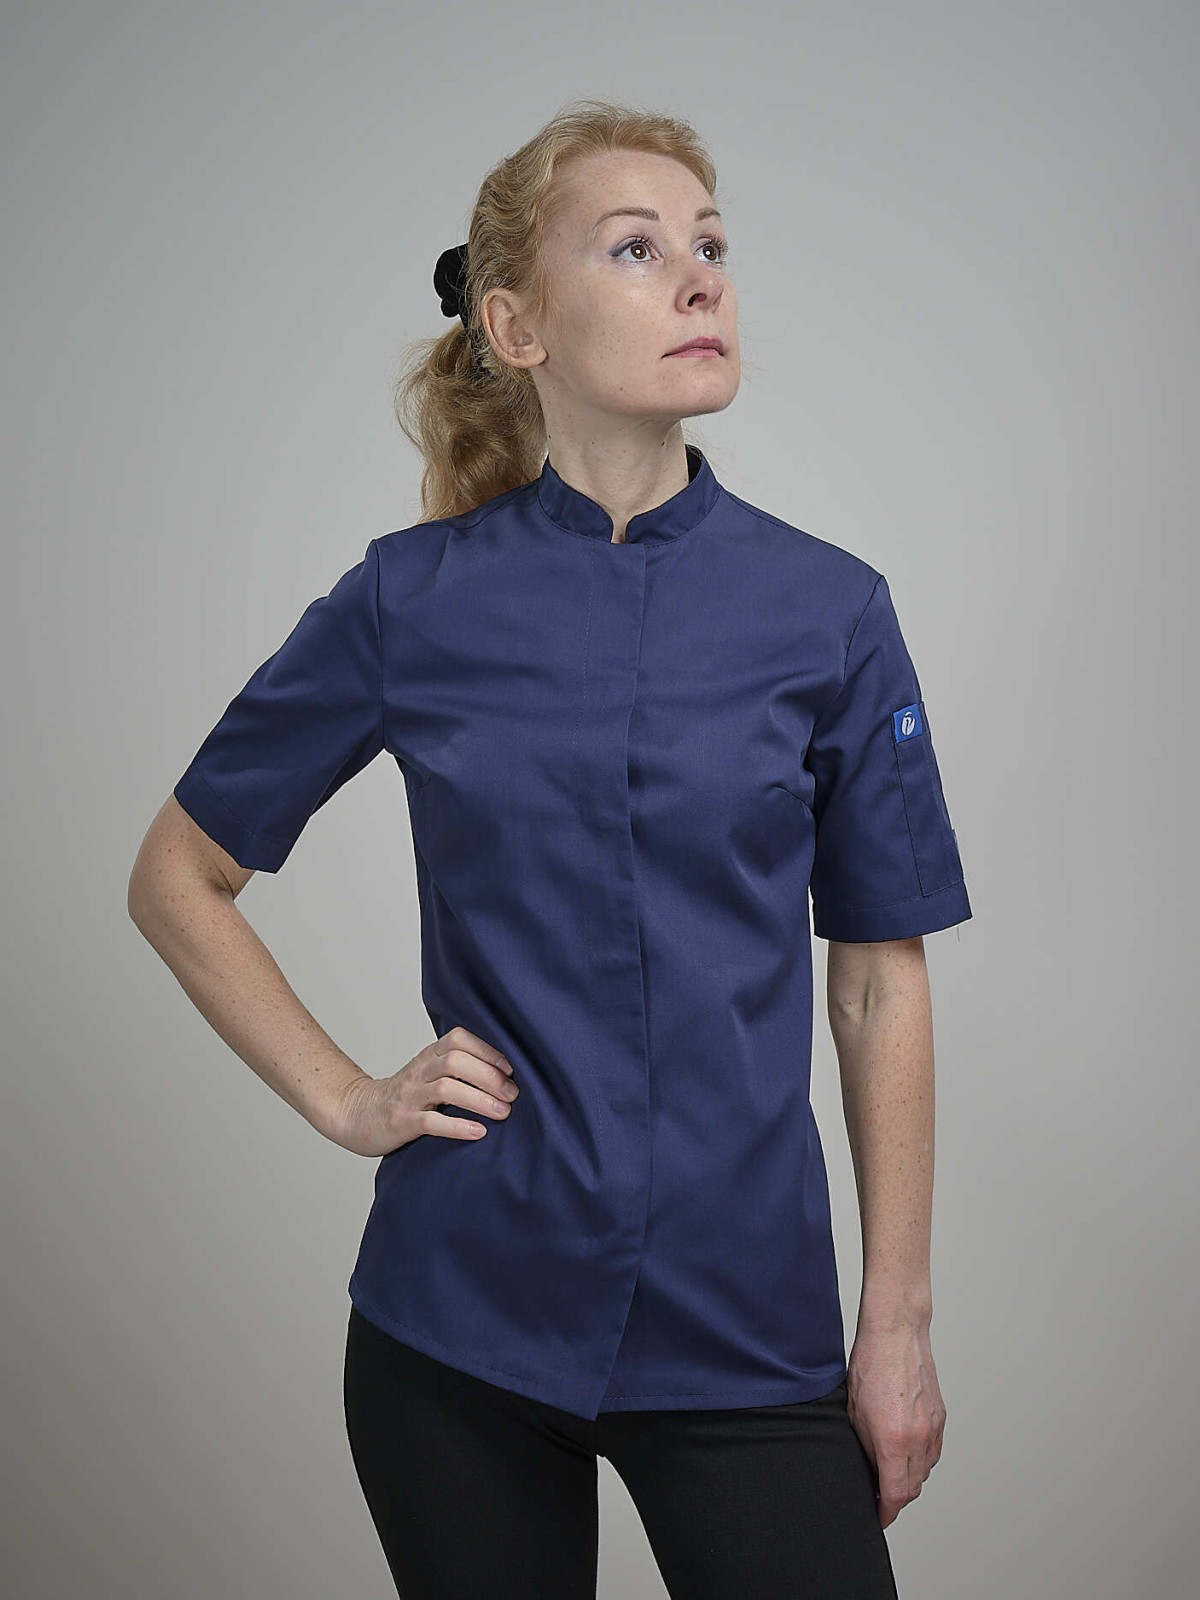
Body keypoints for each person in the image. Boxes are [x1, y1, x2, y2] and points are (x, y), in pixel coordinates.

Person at [128, 96, 972, 1600]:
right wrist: (347, 1097)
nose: (700, 278)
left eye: (711, 246)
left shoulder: (831, 612)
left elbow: (875, 980)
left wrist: (895, 1324)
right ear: (515, 325)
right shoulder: (409, 601)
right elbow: (178, 875)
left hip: (745, 1321)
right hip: (462, 1323)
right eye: (636, 248)